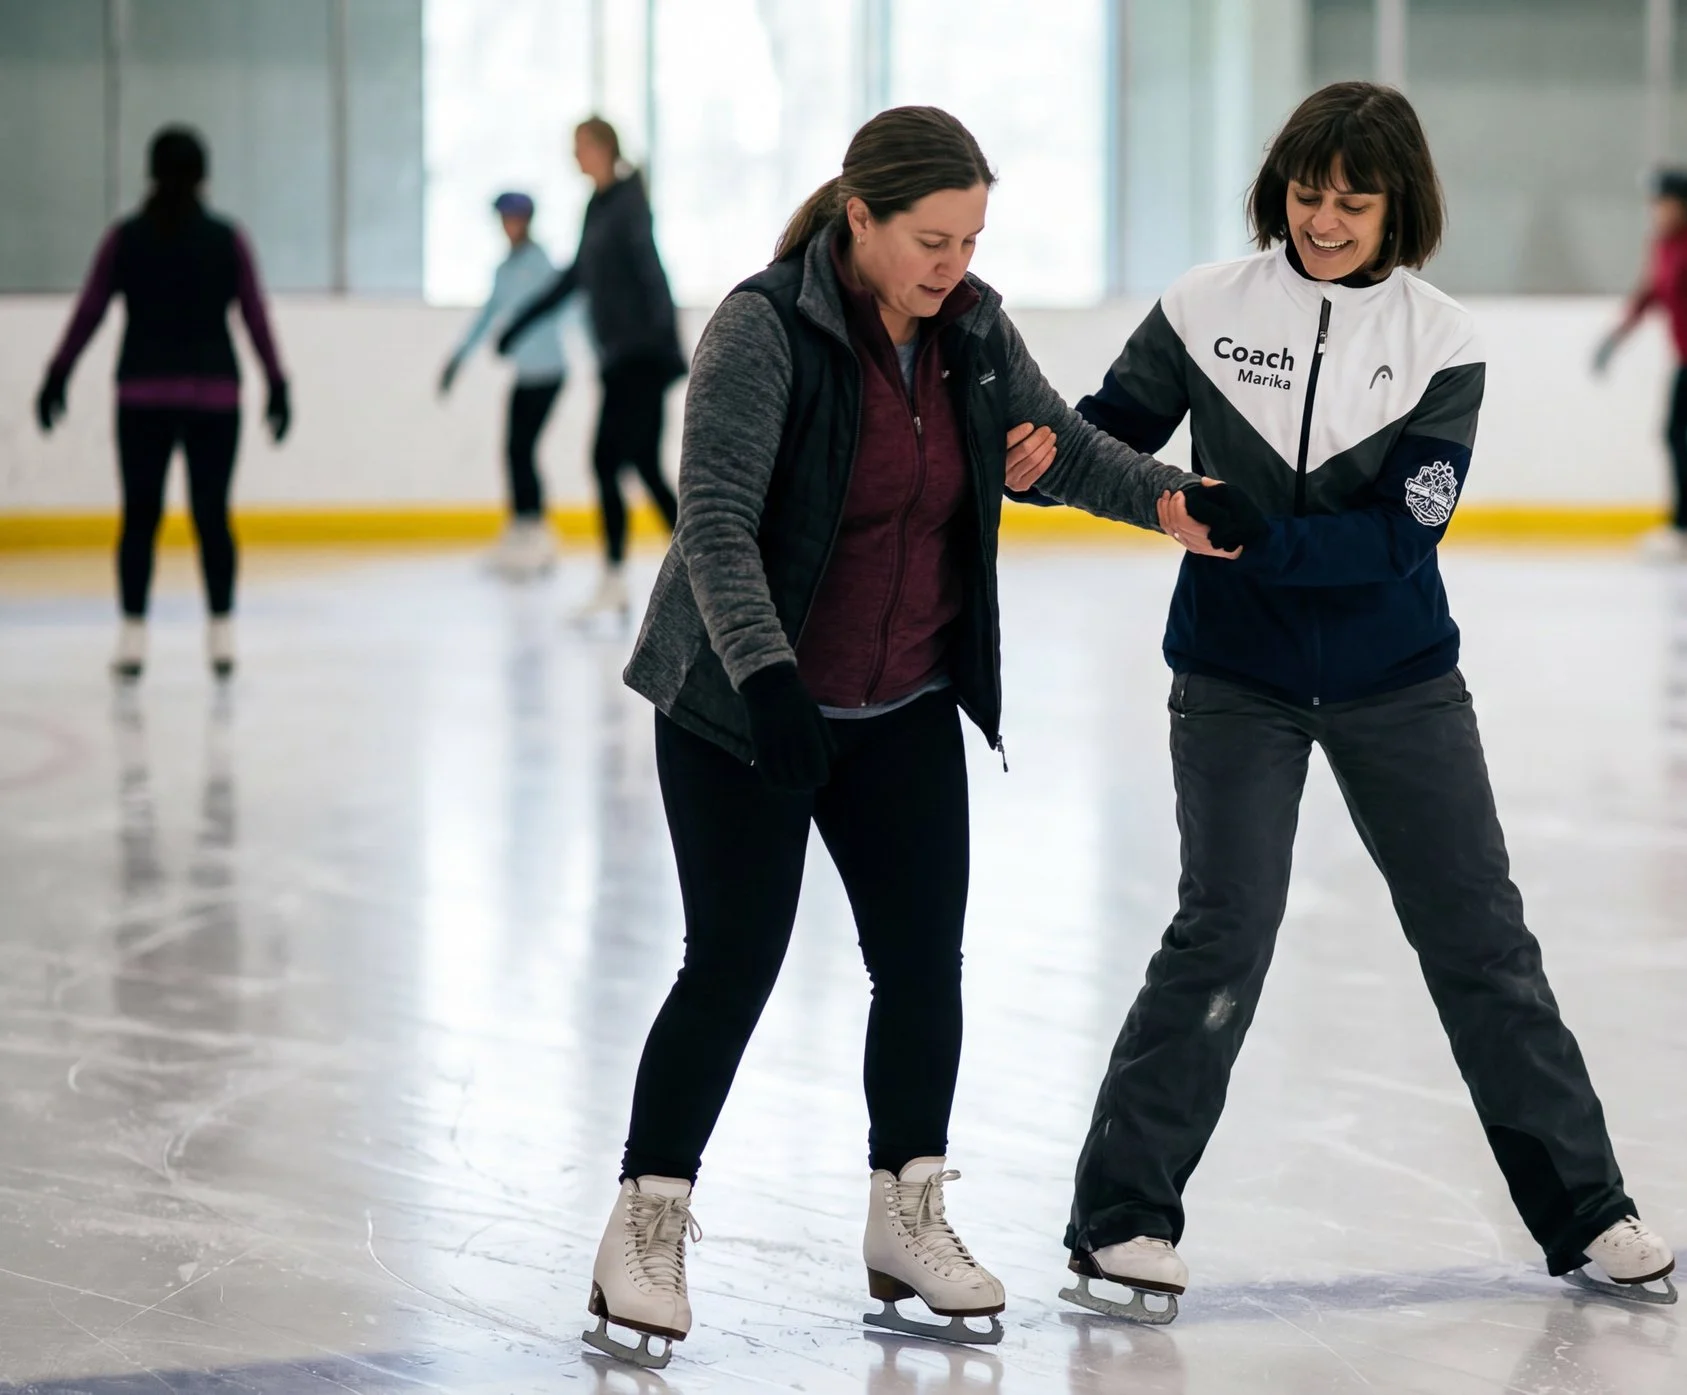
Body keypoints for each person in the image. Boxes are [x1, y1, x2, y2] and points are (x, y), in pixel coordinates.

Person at [1029, 81, 1675, 1325]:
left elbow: (1396, 544)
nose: (1322, 219)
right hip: (1233, 680)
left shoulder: (1443, 342)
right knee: (1223, 933)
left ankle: (1586, 1209)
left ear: (1399, 208)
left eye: (1351, 200)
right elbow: (1107, 441)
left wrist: (1244, 536)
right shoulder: (1204, 307)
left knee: (1482, 942)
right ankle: (1120, 1219)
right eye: (1306, 192)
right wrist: (1043, 463)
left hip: (1398, 681)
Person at [583, 106, 1200, 1368]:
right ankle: (643, 1222)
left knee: (922, 963)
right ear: (857, 218)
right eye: (930, 239)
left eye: (970, 240)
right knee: (736, 958)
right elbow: (712, 523)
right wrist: (765, 685)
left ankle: (905, 1215)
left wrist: (1176, 502)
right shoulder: (764, 329)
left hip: (904, 699)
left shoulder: (971, 333)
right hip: (739, 706)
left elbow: (1061, 451)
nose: (952, 266)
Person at [35, 126, 290, 681]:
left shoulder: (126, 238)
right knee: (212, 516)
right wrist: (277, 381)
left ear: (151, 171)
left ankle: (132, 639)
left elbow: (91, 310)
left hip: (143, 397)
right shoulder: (227, 239)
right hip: (214, 399)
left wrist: (58, 373)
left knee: (140, 518)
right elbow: (254, 315)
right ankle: (221, 637)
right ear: (205, 175)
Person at [496, 116, 684, 619]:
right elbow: (576, 276)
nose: (574, 156)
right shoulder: (598, 205)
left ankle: (617, 577)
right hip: (620, 356)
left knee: (606, 461)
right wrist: (521, 322)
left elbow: (651, 270)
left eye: (580, 146)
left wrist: (668, 347)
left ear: (602, 148)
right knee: (641, 464)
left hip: (640, 355)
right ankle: (701, 569)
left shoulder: (626, 202)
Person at [1595, 167, 1687, 558]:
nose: (1656, 210)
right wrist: (1616, 337)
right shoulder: (1664, 244)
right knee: (1677, 435)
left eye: (1663, 203)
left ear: (1684, 205)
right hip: (1686, 354)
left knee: (1676, 434)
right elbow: (1650, 292)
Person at [440, 191, 567, 577]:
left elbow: (565, 305)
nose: (507, 226)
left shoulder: (542, 264)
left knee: (523, 449)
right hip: (524, 374)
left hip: (549, 372)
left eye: (512, 218)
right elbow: (489, 315)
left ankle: (538, 532)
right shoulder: (504, 269)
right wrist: (458, 358)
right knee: (513, 450)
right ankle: (520, 527)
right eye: (503, 219)